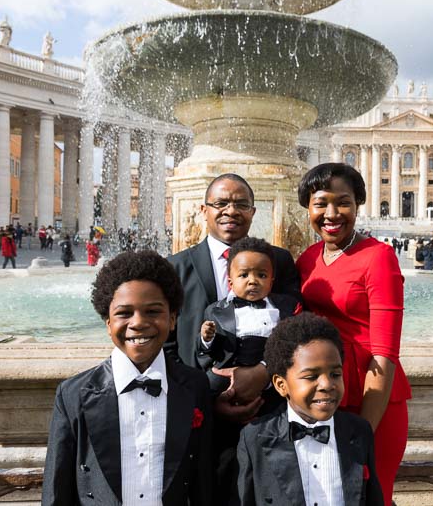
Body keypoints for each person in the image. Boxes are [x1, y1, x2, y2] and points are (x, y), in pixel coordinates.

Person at [166, 173, 301, 502]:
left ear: (253, 212)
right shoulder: (174, 267)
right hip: (200, 417)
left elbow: (296, 331)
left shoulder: (279, 261)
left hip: (268, 408)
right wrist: (206, 398)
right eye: (221, 203)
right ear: (203, 210)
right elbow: (167, 345)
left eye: (241, 204)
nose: (231, 210)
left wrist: (265, 372)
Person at [41, 251, 213, 505]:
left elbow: (203, 481)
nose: (139, 323)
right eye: (124, 313)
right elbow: (57, 488)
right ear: (107, 321)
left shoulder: (195, 386)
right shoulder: (73, 393)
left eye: (153, 311)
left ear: (173, 318)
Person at [295, 163, 410, 504]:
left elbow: (385, 353)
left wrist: (364, 431)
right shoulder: (308, 257)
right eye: (321, 203)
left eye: (342, 202)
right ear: (308, 208)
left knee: (370, 495)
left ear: (358, 204)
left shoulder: (379, 257)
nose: (331, 213)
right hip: (321, 395)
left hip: (370, 399)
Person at [237, 314, 383, 506]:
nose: (326, 384)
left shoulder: (359, 431)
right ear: (281, 385)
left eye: (335, 374)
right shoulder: (255, 437)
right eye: (311, 376)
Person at [197, 236, 301, 399]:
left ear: (272, 281)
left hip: (271, 377)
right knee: (206, 387)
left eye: (261, 275)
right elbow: (207, 353)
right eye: (244, 275)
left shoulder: (284, 308)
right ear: (230, 282)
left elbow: (293, 344)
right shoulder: (216, 310)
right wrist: (206, 338)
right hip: (227, 373)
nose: (253, 281)